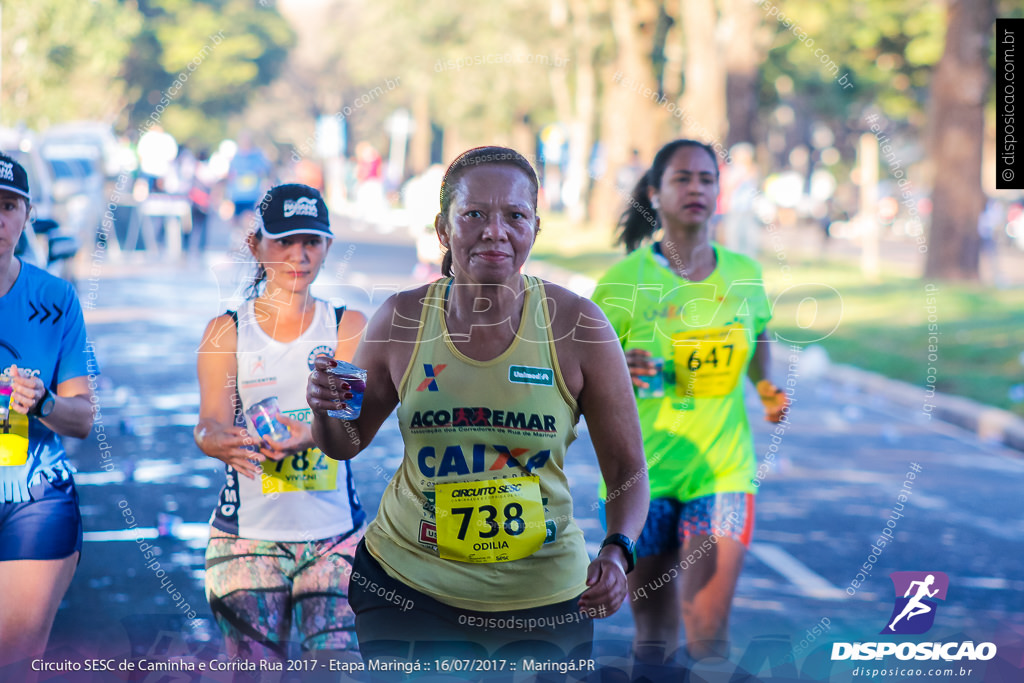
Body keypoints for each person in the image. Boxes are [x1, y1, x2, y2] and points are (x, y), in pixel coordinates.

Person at [306, 146, 649, 664]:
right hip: (408, 587)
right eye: (474, 215)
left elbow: (627, 467)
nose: (495, 231)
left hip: (544, 598)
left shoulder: (579, 325)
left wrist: (618, 552)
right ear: (442, 229)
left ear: (535, 227)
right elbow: (343, 445)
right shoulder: (401, 318)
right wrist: (325, 407)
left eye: (515, 215)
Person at [591, 139, 790, 665]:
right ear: (655, 194)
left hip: (722, 471)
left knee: (707, 630)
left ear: (720, 192)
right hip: (642, 478)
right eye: (682, 178)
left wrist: (768, 391)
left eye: (706, 178)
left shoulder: (744, 274)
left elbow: (759, 337)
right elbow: (579, 374)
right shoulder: (622, 283)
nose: (696, 189)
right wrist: (619, 371)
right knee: (654, 638)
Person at [194, 184, 367, 662]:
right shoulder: (225, 330)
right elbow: (207, 422)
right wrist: (215, 440)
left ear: (328, 246)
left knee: (334, 671)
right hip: (245, 541)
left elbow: (352, 426)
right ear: (255, 245)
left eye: (311, 241)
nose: (299, 255)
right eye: (284, 241)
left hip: (336, 540)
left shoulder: (348, 325)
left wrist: (309, 435)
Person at [0, 153, 96, 670]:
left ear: (27, 213)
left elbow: (83, 419)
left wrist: (43, 401)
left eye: (8, 205)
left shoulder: (56, 298)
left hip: (32, 499)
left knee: (13, 661)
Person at [227, 131, 272, 233]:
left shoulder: (257, 156)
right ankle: (238, 241)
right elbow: (231, 176)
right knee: (236, 223)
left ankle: (247, 242)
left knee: (248, 221)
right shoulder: (236, 157)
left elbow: (266, 172)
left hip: (252, 196)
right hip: (237, 196)